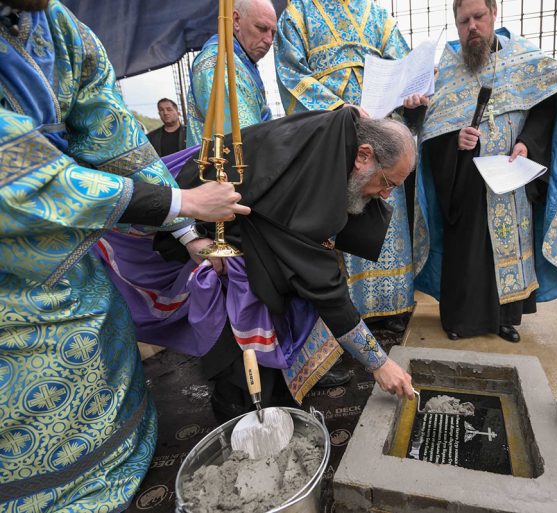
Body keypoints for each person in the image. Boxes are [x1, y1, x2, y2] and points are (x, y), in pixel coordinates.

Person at [0, 1, 248, 510]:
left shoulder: (58, 24)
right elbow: (16, 174)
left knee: (102, 322)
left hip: (74, 254)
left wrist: (185, 232)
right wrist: (183, 202)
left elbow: (116, 139)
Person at [155, 108, 416, 422]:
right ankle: (239, 424)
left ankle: (278, 395)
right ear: (363, 155)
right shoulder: (316, 183)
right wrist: (379, 364)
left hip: (255, 246)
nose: (385, 195)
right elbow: (325, 288)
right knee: (242, 376)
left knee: (283, 334)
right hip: (221, 251)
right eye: (387, 182)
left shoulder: (340, 131)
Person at [412, 0, 557, 342]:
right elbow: (431, 130)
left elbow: (547, 103)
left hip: (510, 177)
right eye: (463, 21)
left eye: (478, 17)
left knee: (510, 246)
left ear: (493, 14)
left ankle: (505, 319)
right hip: (466, 181)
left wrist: (528, 143)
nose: (471, 26)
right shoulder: (448, 68)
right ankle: (460, 319)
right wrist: (455, 140)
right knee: (467, 248)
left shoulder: (524, 58)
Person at [273, 0, 420, 335]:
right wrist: (340, 110)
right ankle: (345, 314)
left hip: (381, 131)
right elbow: (290, 74)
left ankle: (390, 308)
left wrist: (412, 94)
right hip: (334, 131)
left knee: (383, 203)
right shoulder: (298, 13)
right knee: (341, 212)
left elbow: (405, 69)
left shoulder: (378, 16)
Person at [186, 0, 274, 146]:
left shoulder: (241, 61)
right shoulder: (218, 62)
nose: (269, 40)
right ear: (236, 20)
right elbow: (243, 142)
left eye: (273, 33)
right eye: (262, 28)